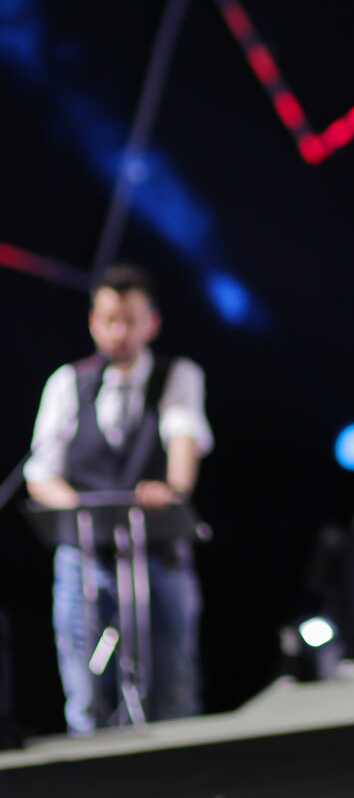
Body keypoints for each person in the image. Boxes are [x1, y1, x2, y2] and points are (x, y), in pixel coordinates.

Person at [25, 262, 212, 733]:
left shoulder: (177, 375)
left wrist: (170, 490)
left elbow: (184, 443)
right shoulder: (69, 382)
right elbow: (41, 473)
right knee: (84, 685)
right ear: (93, 322)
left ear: (152, 323)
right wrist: (83, 509)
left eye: (131, 320)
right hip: (86, 555)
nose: (119, 332)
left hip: (157, 551)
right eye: (110, 320)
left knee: (173, 682)